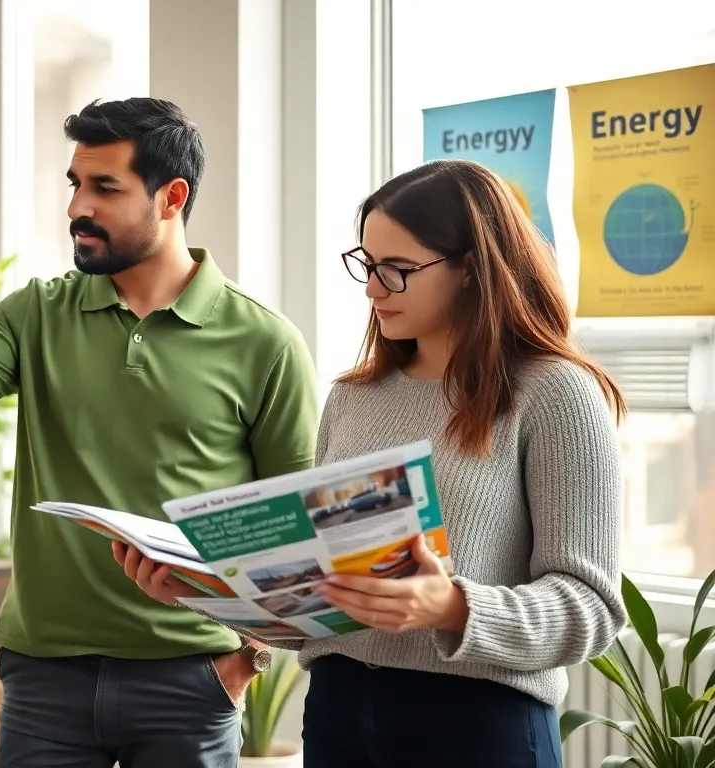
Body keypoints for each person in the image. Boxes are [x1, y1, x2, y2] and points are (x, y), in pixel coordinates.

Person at [0, 97, 320, 767]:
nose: (77, 206)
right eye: (75, 183)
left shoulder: (265, 342)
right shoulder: (36, 313)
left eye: (105, 187)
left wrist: (245, 661)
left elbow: (294, 527)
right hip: (45, 678)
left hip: (192, 677)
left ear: (171, 198)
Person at [117, 158, 627, 767]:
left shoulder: (555, 393)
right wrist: (199, 589)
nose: (372, 288)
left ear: (473, 268)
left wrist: (451, 607)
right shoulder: (353, 397)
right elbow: (317, 606)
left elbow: (591, 608)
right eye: (367, 263)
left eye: (397, 269)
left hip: (479, 724)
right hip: (338, 715)